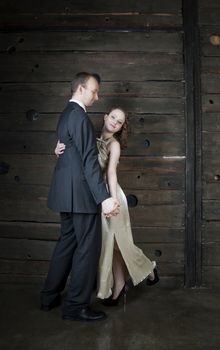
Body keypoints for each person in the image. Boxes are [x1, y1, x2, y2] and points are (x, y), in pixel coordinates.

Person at [55, 107, 159, 307]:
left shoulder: (114, 145)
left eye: (119, 122)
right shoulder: (90, 138)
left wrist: (112, 201)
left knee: (120, 244)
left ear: (120, 128)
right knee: (109, 245)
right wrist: (59, 148)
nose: (114, 122)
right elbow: (77, 161)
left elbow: (111, 174)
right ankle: (119, 285)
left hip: (110, 197)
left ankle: (149, 269)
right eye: (113, 117)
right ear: (105, 117)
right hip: (96, 198)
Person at [40, 72, 120, 322]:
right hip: (82, 195)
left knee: (67, 243)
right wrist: (103, 197)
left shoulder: (66, 115)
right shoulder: (80, 118)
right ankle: (75, 306)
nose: (97, 96)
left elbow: (70, 152)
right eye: (94, 91)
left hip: (65, 193)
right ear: (81, 89)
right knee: (88, 248)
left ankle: (49, 296)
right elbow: (88, 161)